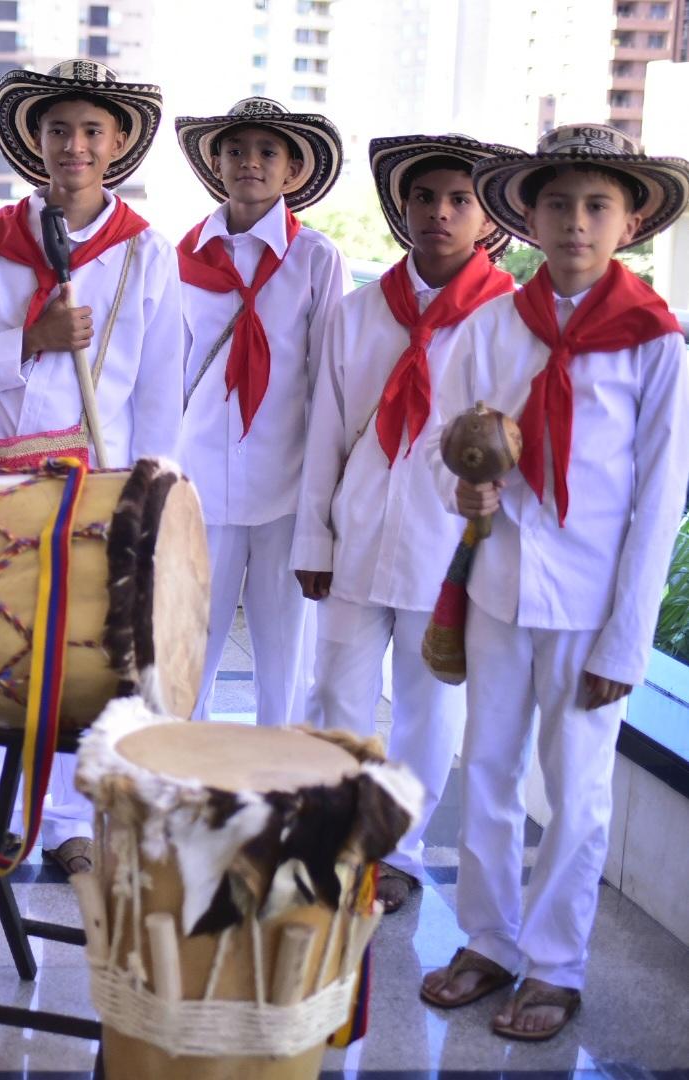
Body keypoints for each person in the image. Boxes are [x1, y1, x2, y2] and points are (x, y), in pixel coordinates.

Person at [419, 124, 689, 1042]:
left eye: (597, 205)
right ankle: (488, 940)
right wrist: (462, 478)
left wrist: (627, 638)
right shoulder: (494, 325)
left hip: (590, 602)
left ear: (631, 219)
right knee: (486, 770)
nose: (576, 221)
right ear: (527, 217)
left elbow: (660, 502)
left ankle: (556, 965)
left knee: (575, 790)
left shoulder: (656, 341)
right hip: (498, 585)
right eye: (558, 203)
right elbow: (440, 442)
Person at [0, 58, 182, 876]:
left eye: (90, 131)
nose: (73, 146)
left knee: (86, 656)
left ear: (116, 146)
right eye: (57, 131)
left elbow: (160, 385)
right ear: (34, 144)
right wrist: (31, 341)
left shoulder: (144, 252)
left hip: (100, 479)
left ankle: (71, 823)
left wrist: (151, 495)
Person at [291, 134, 519, 913]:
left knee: (429, 705)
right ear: (404, 209)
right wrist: (313, 537)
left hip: (447, 542)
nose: (441, 214)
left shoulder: (506, 323)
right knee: (337, 693)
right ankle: (333, 841)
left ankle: (401, 854)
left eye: (460, 200)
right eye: (426, 198)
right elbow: (326, 430)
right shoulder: (360, 312)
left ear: (487, 217)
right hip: (357, 529)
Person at [174, 97, 347, 729]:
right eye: (236, 150)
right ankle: (188, 785)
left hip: (287, 487)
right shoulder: (184, 256)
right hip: (202, 487)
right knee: (190, 650)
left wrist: (322, 504)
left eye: (267, 151)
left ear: (293, 170)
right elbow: (172, 372)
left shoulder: (316, 260)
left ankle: (278, 791)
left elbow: (330, 379)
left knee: (283, 660)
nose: (250, 162)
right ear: (215, 163)